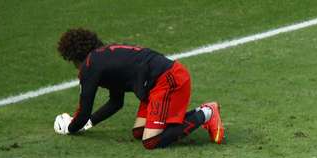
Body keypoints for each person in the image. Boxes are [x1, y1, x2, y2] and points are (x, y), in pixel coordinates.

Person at [54, 28, 224, 149]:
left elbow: (83, 111)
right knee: (139, 132)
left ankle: (206, 113)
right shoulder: (105, 59)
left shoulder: (91, 66)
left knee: (151, 141)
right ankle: (196, 116)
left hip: (167, 81)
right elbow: (116, 102)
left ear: (74, 57)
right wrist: (87, 123)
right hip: (157, 84)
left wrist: (70, 128)